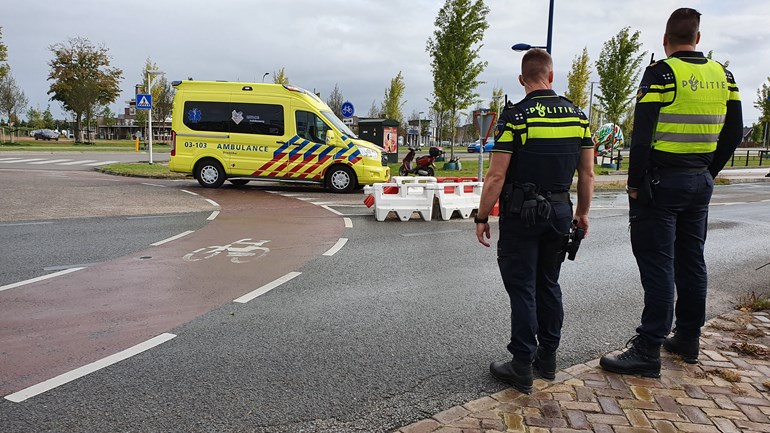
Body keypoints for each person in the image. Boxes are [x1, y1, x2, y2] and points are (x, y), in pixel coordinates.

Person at [600, 7, 743, 378]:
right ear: (698, 38)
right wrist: (710, 170)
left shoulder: (661, 73)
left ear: (666, 41)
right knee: (692, 260)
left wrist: (634, 184)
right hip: (699, 180)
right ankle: (688, 338)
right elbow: (734, 130)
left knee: (658, 263)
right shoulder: (724, 76)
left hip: (662, 184)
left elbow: (642, 136)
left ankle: (648, 348)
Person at [475, 49, 594, 394]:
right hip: (559, 212)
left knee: (523, 288)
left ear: (522, 79)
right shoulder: (578, 116)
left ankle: (521, 365)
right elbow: (587, 172)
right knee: (548, 283)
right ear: (551, 76)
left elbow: (496, 176)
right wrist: (582, 213)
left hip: (522, 214)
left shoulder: (516, 117)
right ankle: (549, 359)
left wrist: (482, 216)